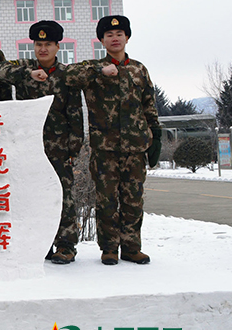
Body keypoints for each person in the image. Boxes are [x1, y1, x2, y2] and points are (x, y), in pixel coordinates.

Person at [65, 15, 161, 265]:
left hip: (136, 148)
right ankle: (109, 248)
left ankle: (131, 247)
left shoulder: (139, 69)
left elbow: (149, 105)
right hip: (105, 149)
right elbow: (69, 76)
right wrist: (100, 70)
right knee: (106, 201)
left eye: (119, 34)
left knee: (133, 200)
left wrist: (155, 136)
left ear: (127, 37)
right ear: (102, 40)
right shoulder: (93, 69)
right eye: (109, 35)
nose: (115, 38)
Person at [0, 20, 84, 264]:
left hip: (59, 149)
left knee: (64, 197)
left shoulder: (66, 75)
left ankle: (66, 246)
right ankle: (39, 244)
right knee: (31, 197)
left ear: (57, 47)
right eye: (38, 44)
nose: (42, 49)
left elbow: (75, 115)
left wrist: (73, 149)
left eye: (48, 44)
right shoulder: (24, 69)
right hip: (30, 148)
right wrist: (27, 73)